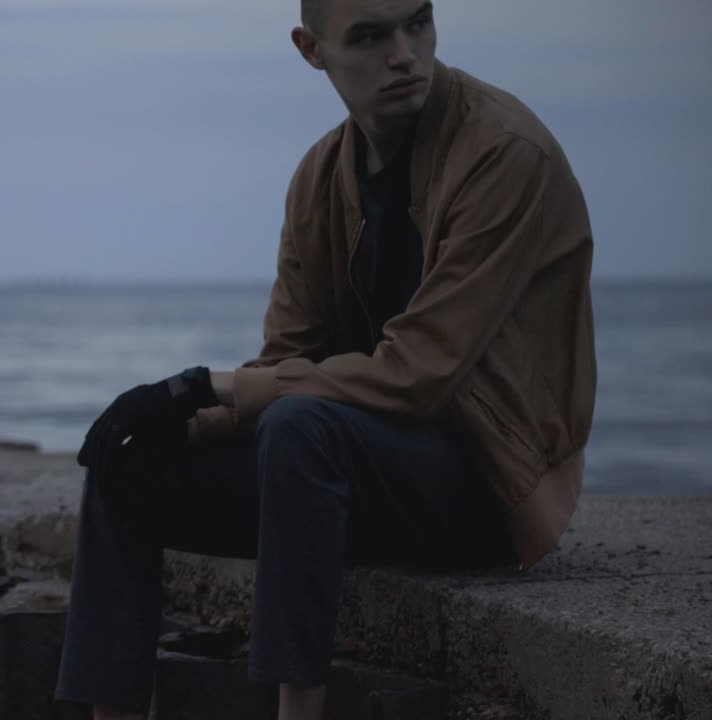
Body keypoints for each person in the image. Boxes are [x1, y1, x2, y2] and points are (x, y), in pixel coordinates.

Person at [53, 0, 597, 718]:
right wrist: (185, 418)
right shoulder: (320, 175)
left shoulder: (504, 153)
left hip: (483, 486)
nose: (404, 54)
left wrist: (203, 385)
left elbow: (418, 374)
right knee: (133, 461)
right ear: (312, 50)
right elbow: (288, 361)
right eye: (371, 36)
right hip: (352, 473)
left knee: (302, 428)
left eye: (418, 23)